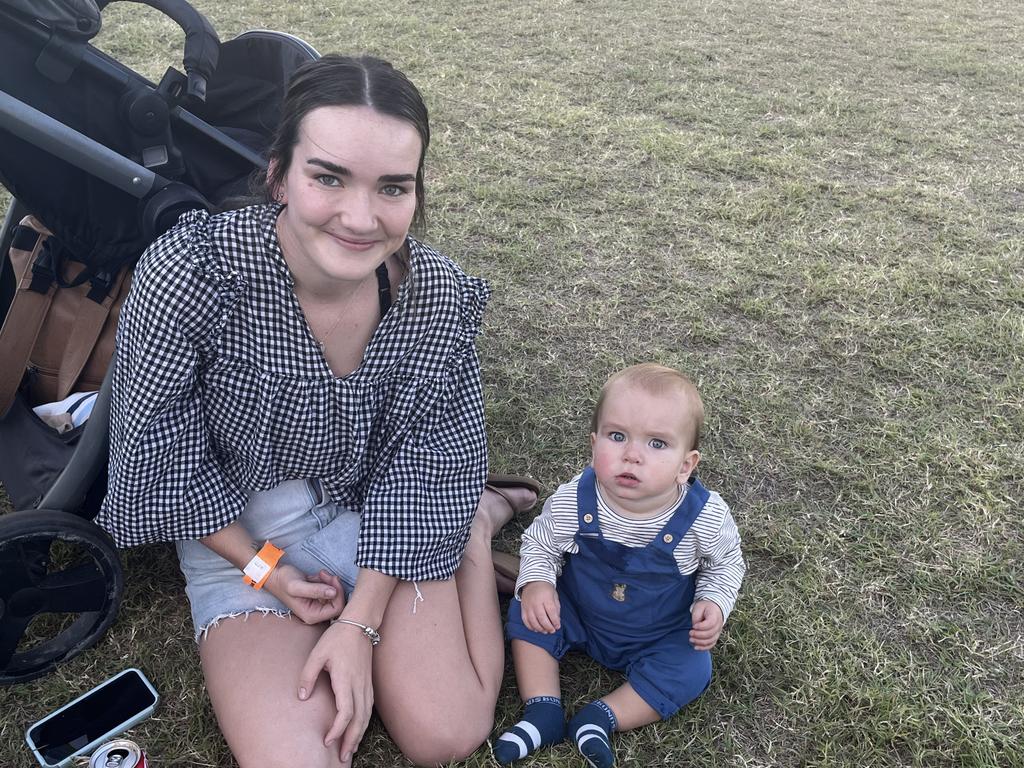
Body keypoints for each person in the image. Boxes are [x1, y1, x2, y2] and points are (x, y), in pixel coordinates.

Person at [96, 54, 539, 768]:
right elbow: (162, 461)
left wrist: (361, 623)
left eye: (393, 187)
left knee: (447, 734)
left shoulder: (435, 299)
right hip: (241, 539)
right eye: (328, 176)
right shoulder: (191, 275)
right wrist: (270, 571)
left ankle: (472, 530)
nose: (361, 218)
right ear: (278, 173)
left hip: (378, 514)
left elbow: (431, 460)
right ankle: (467, 524)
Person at [494, 363, 745, 767]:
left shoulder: (705, 518)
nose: (632, 454)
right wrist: (538, 583)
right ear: (594, 445)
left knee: (693, 666)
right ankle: (543, 710)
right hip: (577, 613)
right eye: (617, 436)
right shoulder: (576, 499)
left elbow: (726, 564)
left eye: (657, 444)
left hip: (660, 632)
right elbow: (541, 542)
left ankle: (602, 717)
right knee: (525, 610)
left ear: (686, 464)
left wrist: (714, 602)